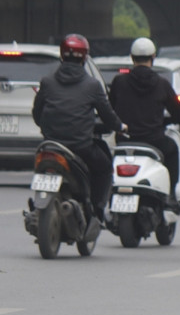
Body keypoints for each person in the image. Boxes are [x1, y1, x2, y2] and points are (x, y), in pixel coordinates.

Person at [32, 34, 125, 221]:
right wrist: (120, 126)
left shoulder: (47, 82)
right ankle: (98, 209)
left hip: (51, 145)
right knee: (105, 168)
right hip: (81, 147)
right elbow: (108, 117)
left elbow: (37, 114)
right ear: (84, 58)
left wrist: (49, 129)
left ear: (62, 55)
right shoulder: (92, 85)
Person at [108, 37, 180, 212]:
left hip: (125, 140)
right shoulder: (162, 84)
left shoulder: (119, 82)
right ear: (153, 57)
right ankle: (171, 195)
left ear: (132, 57)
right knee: (173, 149)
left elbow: (110, 109)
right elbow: (178, 113)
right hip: (154, 141)